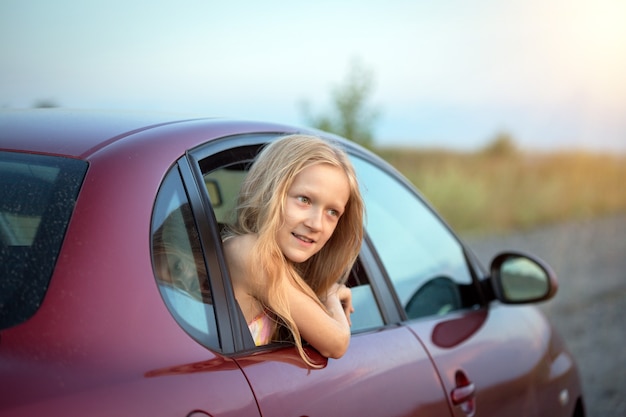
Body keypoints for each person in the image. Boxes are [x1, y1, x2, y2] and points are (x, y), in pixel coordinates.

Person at [222, 134, 364, 367]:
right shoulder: (249, 252)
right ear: (268, 190)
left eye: (332, 212)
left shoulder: (274, 262)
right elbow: (336, 342)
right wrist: (329, 295)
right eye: (304, 199)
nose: (316, 224)